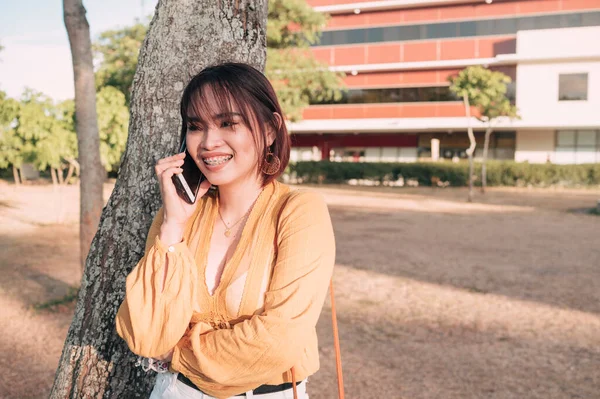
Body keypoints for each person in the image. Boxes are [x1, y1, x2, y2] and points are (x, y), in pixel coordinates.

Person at [115, 63, 336, 399]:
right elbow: (147, 335)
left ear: (271, 128)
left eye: (228, 123)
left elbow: (278, 342)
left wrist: (175, 353)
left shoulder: (299, 211)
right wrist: (174, 226)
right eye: (195, 126)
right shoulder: (176, 215)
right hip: (174, 392)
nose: (208, 142)